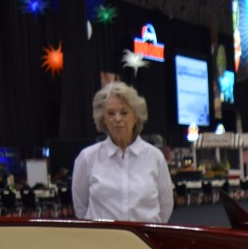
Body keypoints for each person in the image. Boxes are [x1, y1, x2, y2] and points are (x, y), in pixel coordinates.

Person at [70, 81, 173, 223]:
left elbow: (166, 206)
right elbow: (81, 208)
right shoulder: (87, 158)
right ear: (103, 119)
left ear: (136, 117)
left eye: (124, 113)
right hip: (103, 236)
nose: (117, 119)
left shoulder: (155, 157)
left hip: (144, 236)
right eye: (111, 113)